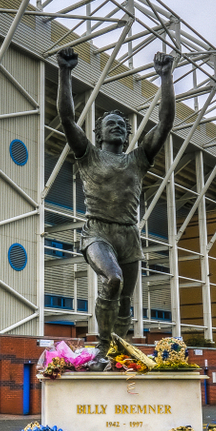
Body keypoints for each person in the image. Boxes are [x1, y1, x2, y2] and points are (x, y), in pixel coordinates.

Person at [55, 46, 175, 369]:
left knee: (125, 304)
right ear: (98, 132)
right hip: (97, 230)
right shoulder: (88, 155)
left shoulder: (137, 160)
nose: (118, 128)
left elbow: (164, 123)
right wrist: (65, 73)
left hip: (128, 236)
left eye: (122, 126)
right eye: (111, 124)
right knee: (114, 280)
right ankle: (102, 347)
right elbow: (66, 117)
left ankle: (117, 352)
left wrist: (166, 77)